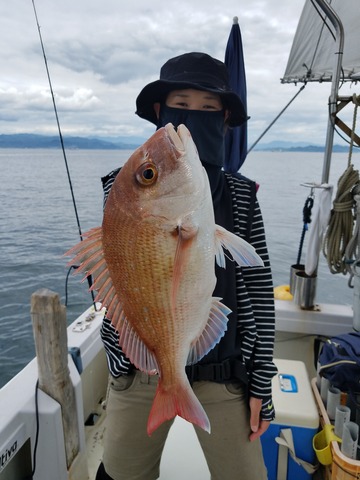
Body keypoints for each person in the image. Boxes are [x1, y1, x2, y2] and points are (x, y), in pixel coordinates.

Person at [96, 52, 277, 480]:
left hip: (225, 369)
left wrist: (262, 383)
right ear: (160, 111)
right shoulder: (119, 189)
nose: (193, 117)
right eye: (182, 104)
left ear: (225, 118)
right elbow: (111, 279)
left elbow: (259, 288)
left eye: (209, 108)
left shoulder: (241, 196)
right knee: (120, 474)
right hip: (141, 367)